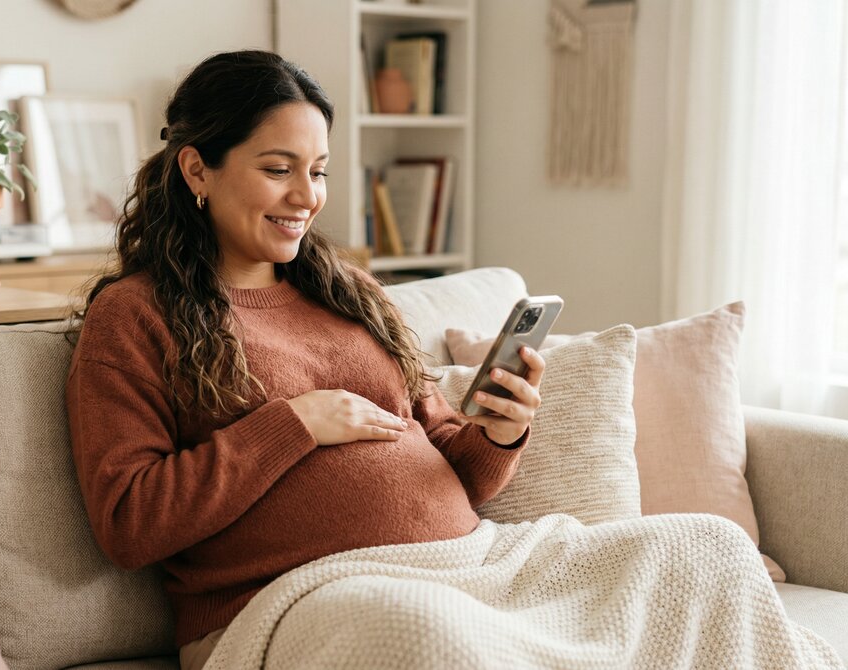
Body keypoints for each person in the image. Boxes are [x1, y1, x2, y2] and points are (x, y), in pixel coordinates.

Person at [66, 50, 542, 670]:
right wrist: (294, 425)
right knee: (427, 634)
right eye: (277, 169)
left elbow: (458, 466)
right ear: (197, 170)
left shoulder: (353, 292)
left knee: (702, 547)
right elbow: (130, 521)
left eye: (318, 171)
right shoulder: (135, 315)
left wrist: (498, 434)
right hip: (291, 605)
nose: (306, 196)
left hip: (464, 567)